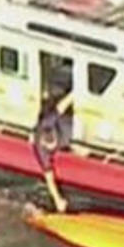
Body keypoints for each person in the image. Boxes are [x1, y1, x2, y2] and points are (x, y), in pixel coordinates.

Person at [32, 84, 73, 212]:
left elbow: (60, 108)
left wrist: (74, 94)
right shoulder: (41, 150)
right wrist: (58, 200)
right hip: (70, 140)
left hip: (69, 125)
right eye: (49, 144)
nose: (51, 143)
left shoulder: (46, 123)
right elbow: (49, 177)